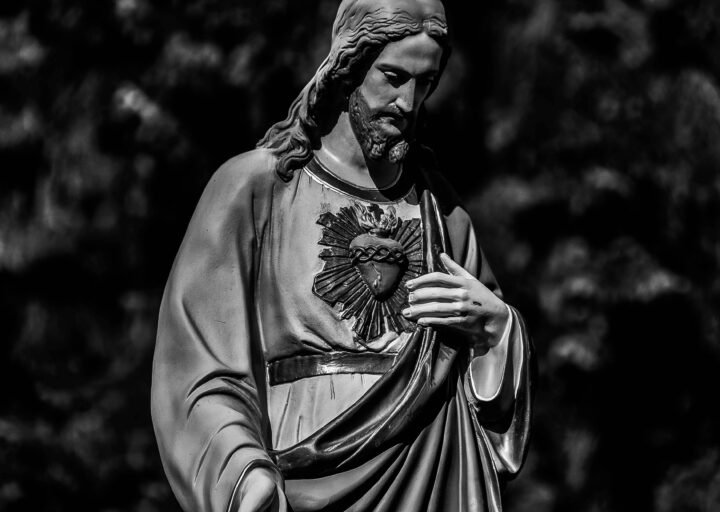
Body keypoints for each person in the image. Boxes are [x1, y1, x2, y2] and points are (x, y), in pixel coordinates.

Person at [151, 0, 534, 511]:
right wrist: (240, 471)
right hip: (298, 473)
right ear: (347, 67)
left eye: (426, 83)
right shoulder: (259, 189)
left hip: (432, 475)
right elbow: (197, 365)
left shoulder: (442, 214)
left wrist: (497, 330)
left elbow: (489, 405)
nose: (407, 101)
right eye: (393, 77)